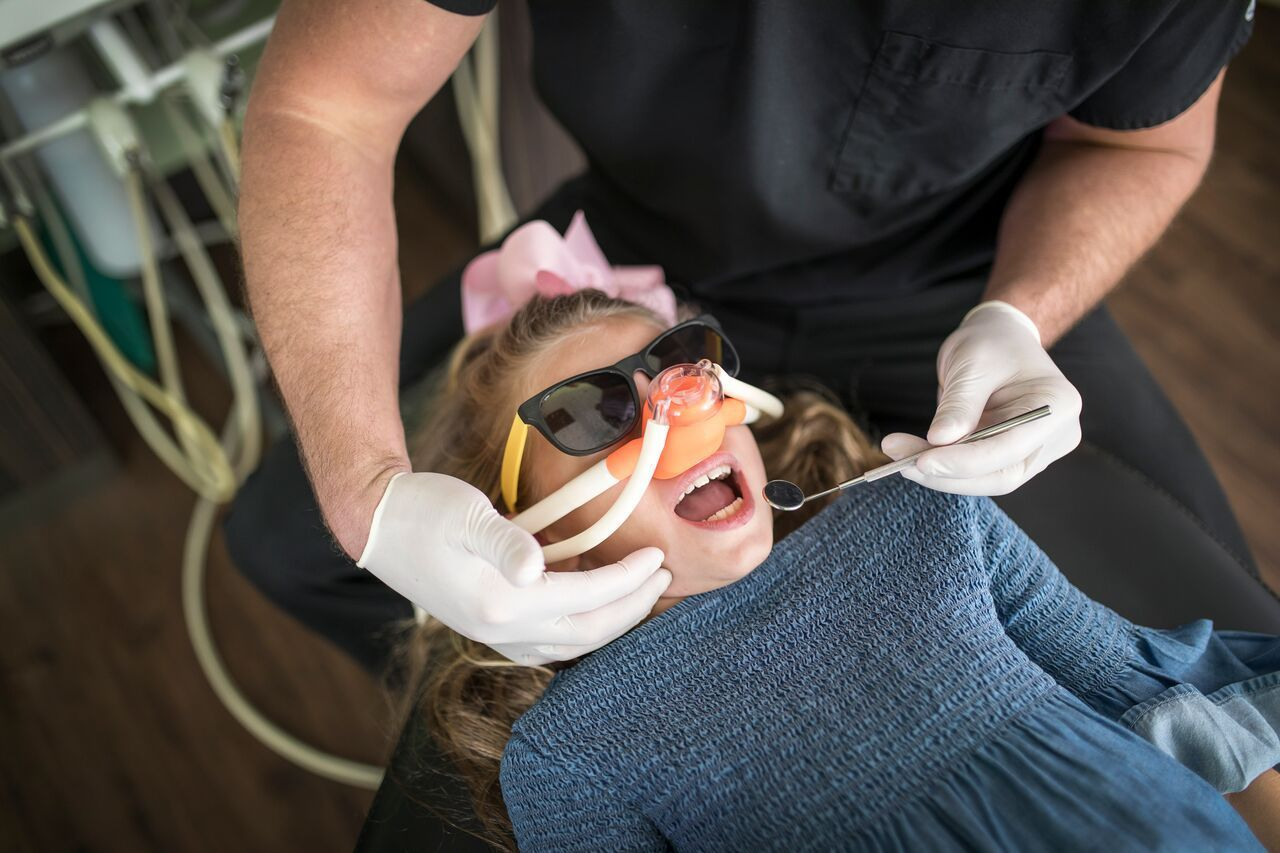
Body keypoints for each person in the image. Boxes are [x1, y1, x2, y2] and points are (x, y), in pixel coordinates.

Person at [229, 0, 1264, 673]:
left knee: (1235, 644)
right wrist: (368, 496)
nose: (688, 410)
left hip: (959, 278)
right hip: (648, 246)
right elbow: (326, 109)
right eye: (599, 416)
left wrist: (1018, 313)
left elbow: (1147, 147)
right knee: (290, 544)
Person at [397, 284, 1280, 850]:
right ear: (525, 534)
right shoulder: (568, 750)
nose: (677, 409)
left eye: (685, 366)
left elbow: (1164, 698)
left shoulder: (921, 517)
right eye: (594, 414)